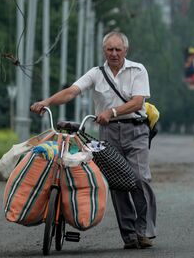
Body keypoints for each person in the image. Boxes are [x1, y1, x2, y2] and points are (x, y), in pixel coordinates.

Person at [31, 31, 157, 249]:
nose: (114, 53)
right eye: (110, 49)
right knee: (118, 183)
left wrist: (112, 112)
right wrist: (47, 101)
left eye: (118, 49)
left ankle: (143, 231)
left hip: (135, 131)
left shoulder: (138, 70)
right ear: (104, 51)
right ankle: (129, 236)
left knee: (139, 179)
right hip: (107, 134)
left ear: (126, 51)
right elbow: (72, 91)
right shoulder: (96, 73)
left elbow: (137, 103)